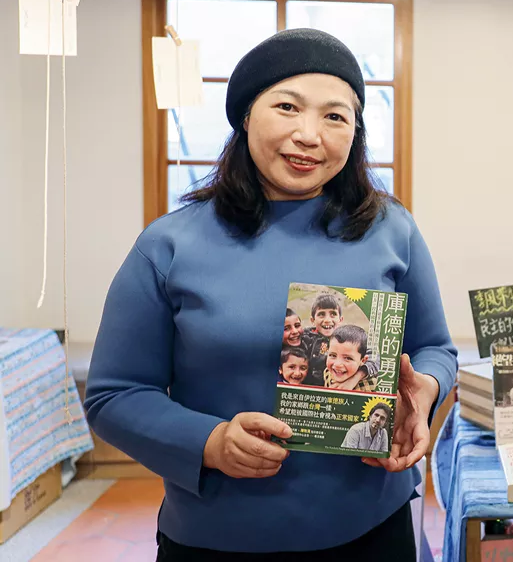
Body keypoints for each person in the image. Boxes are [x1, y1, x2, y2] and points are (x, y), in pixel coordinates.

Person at [84, 28, 458, 560]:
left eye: (335, 116)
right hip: (220, 536)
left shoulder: (390, 228)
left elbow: (434, 348)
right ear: (245, 116)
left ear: (355, 132)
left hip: (375, 525)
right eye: (287, 107)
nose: (309, 135)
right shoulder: (169, 245)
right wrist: (209, 442)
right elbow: (114, 394)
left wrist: (424, 391)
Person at [323, 324, 379, 391]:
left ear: (363, 360)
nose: (337, 364)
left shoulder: (372, 386)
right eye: (333, 355)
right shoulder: (327, 373)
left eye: (348, 358)